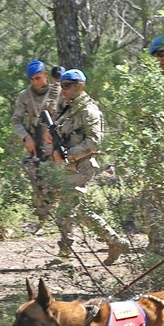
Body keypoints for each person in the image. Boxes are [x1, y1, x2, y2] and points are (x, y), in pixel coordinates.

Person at [44, 69, 128, 266]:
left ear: (79, 86)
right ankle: (115, 241)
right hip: (69, 166)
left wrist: (68, 154)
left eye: (67, 85)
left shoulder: (88, 111)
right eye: (61, 85)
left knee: (66, 209)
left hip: (82, 165)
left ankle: (66, 254)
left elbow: (94, 142)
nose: (62, 89)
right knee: (78, 210)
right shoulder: (68, 107)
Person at [10, 59, 61, 222]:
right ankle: (43, 218)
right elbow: (16, 120)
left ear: (45, 75)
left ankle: (60, 218)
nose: (35, 82)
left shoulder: (58, 91)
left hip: (55, 143)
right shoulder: (24, 96)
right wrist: (26, 137)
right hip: (35, 142)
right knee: (38, 180)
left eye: (38, 78)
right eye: (32, 79)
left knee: (58, 180)